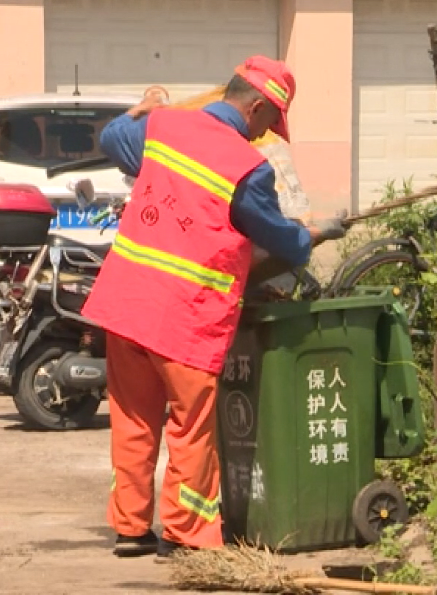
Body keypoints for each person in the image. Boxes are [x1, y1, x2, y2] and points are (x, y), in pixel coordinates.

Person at [81, 55, 351, 560]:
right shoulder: (247, 167)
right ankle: (186, 533)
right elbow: (281, 242)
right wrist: (318, 231)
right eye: (272, 123)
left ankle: (131, 529)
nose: (269, 135)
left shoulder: (162, 128)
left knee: (134, 420)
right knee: (190, 425)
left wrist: (143, 107)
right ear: (256, 109)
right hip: (183, 316)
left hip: (127, 305)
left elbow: (114, 137)